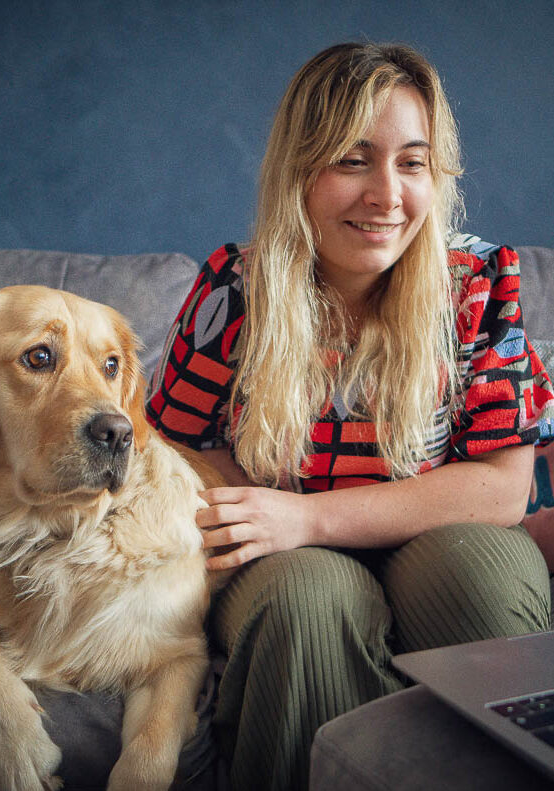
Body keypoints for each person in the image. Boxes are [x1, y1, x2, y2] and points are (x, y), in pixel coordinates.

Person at [146, 42, 554, 791]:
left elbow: (501, 488)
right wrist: (256, 510)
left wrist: (305, 517)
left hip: (437, 539)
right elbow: (172, 434)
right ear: (299, 168)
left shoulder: (478, 283)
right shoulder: (232, 290)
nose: (386, 196)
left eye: (412, 163)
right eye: (352, 159)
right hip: (284, 565)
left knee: (483, 575)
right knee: (308, 599)